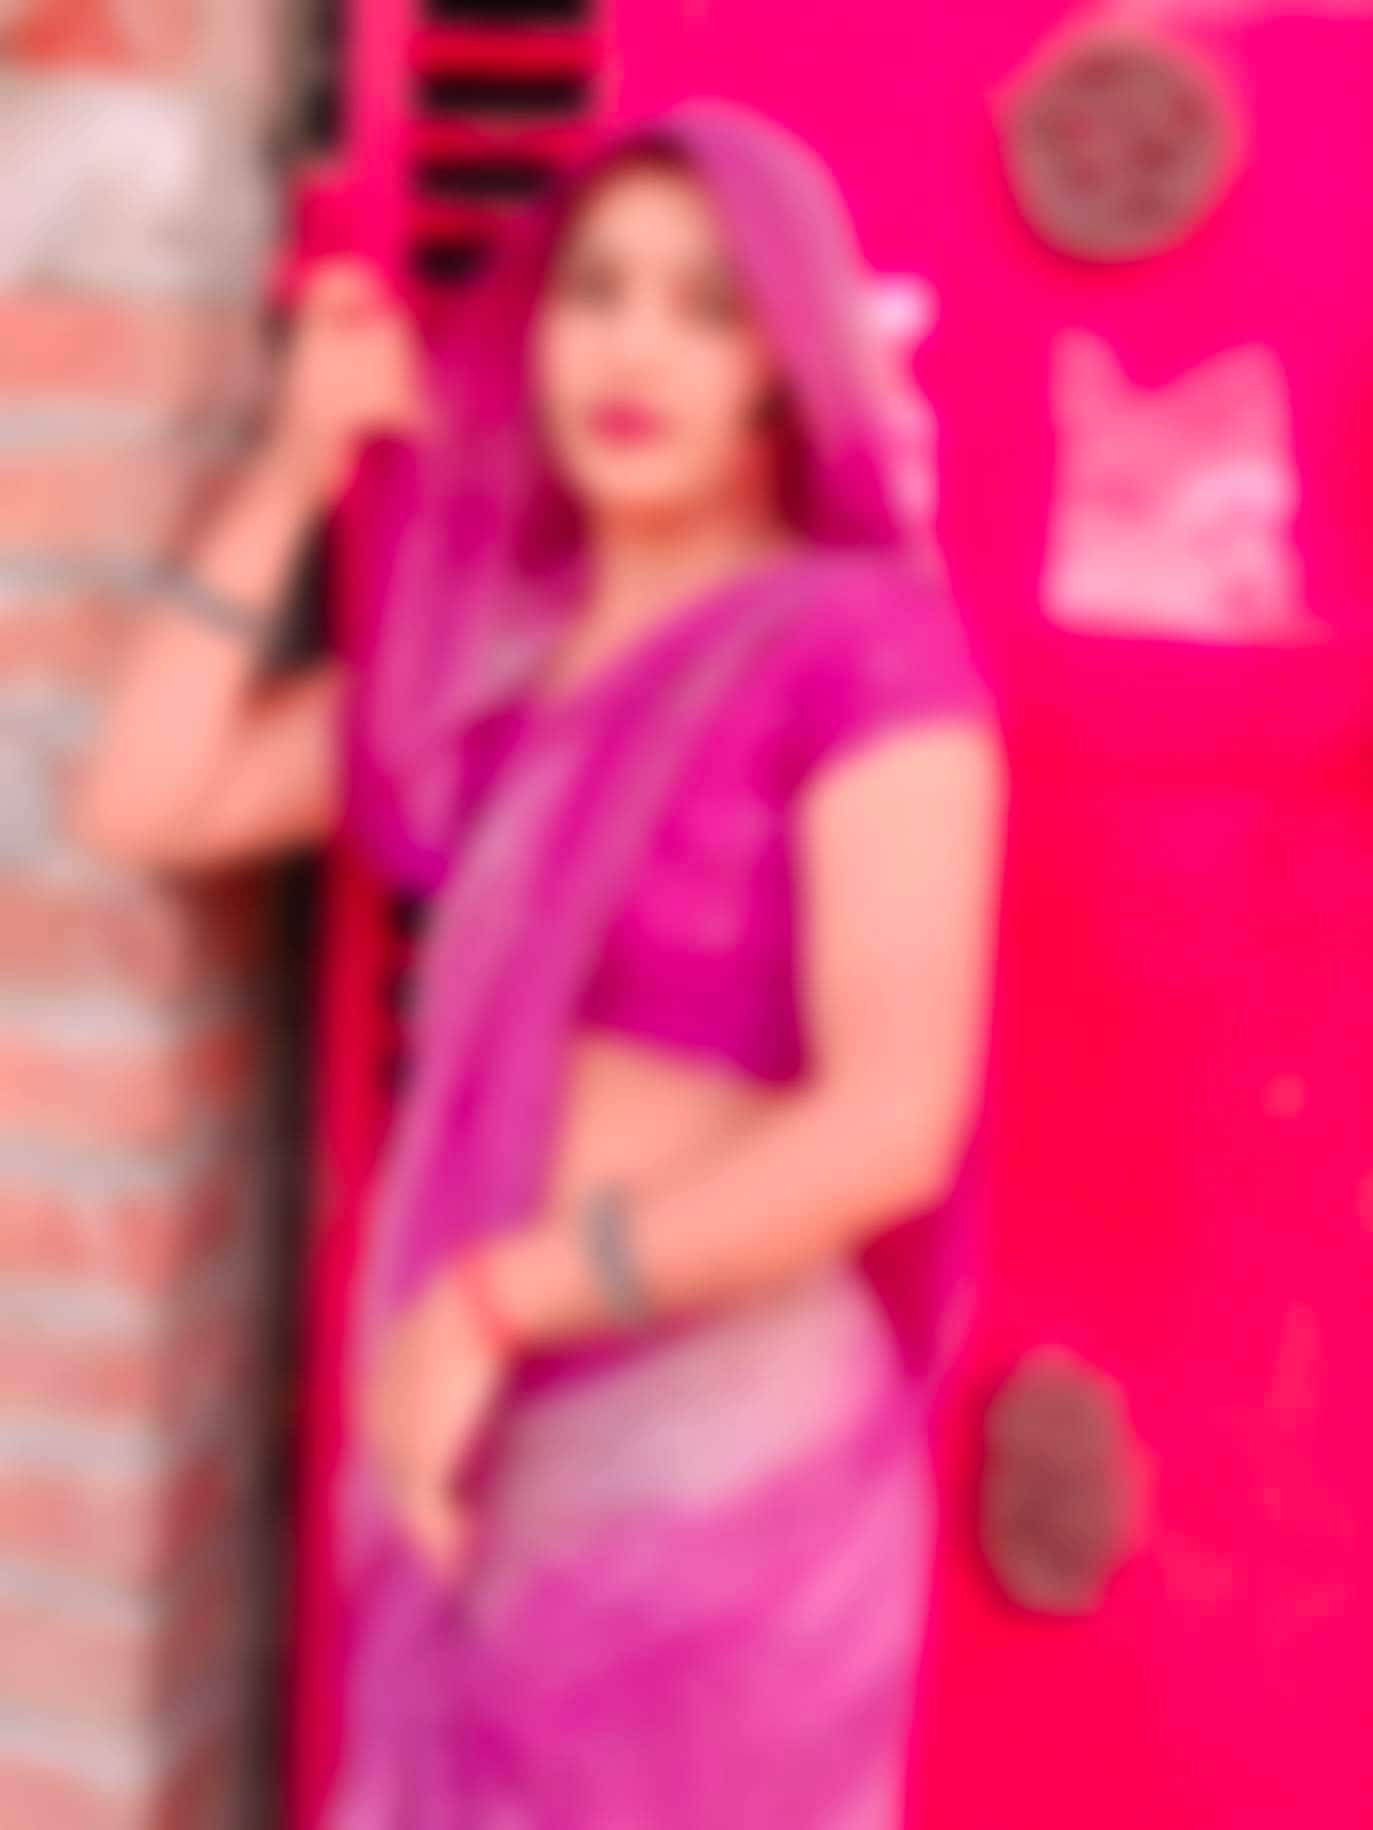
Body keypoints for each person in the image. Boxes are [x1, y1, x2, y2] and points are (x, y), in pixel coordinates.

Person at [70, 99, 1006, 1830]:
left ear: (783, 365)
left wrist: (498, 1303)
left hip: (721, 1481)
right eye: (598, 290)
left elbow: (890, 1124)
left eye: (706, 307)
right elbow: (151, 796)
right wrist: (291, 471)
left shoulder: (860, 655)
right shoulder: (487, 678)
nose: (633, 350)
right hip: (487, 1467)